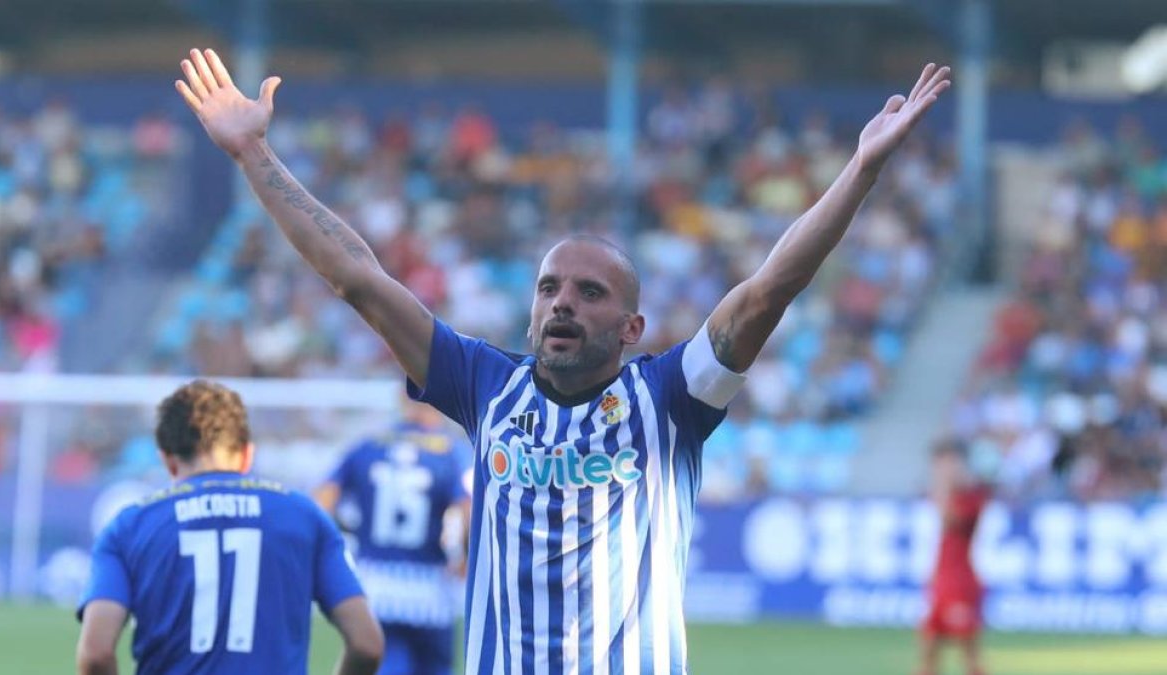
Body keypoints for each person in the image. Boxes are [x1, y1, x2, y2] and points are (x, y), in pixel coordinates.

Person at [176, 47, 951, 673]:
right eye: (549, 287)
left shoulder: (671, 400)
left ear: (631, 325)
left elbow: (768, 289)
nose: (562, 303)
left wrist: (861, 172)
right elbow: (357, 278)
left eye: (589, 291)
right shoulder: (482, 383)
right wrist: (253, 154)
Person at [76, 380, 385, 675]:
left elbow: (96, 652)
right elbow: (367, 644)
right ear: (247, 454)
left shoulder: (131, 525)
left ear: (167, 460)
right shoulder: (305, 515)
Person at [313, 398, 471, 675]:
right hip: (431, 590)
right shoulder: (451, 451)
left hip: (376, 589)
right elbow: (467, 510)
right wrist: (465, 556)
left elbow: (321, 502)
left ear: (403, 398)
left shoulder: (369, 444)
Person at [917, 439, 992, 675]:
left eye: (949, 462)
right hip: (941, 579)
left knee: (968, 652)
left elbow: (952, 522)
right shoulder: (945, 494)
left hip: (962, 581)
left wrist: (942, 488)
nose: (944, 469)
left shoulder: (973, 496)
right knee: (929, 649)